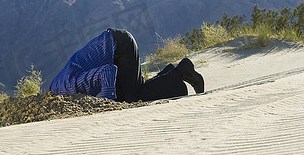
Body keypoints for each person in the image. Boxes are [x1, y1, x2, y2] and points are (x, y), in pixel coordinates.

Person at [49, 28, 204, 102]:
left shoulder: (73, 85)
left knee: (135, 98)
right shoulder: (57, 85)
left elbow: (108, 71)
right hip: (114, 47)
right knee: (125, 98)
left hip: (120, 47)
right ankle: (169, 73)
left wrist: (107, 104)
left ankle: (181, 72)